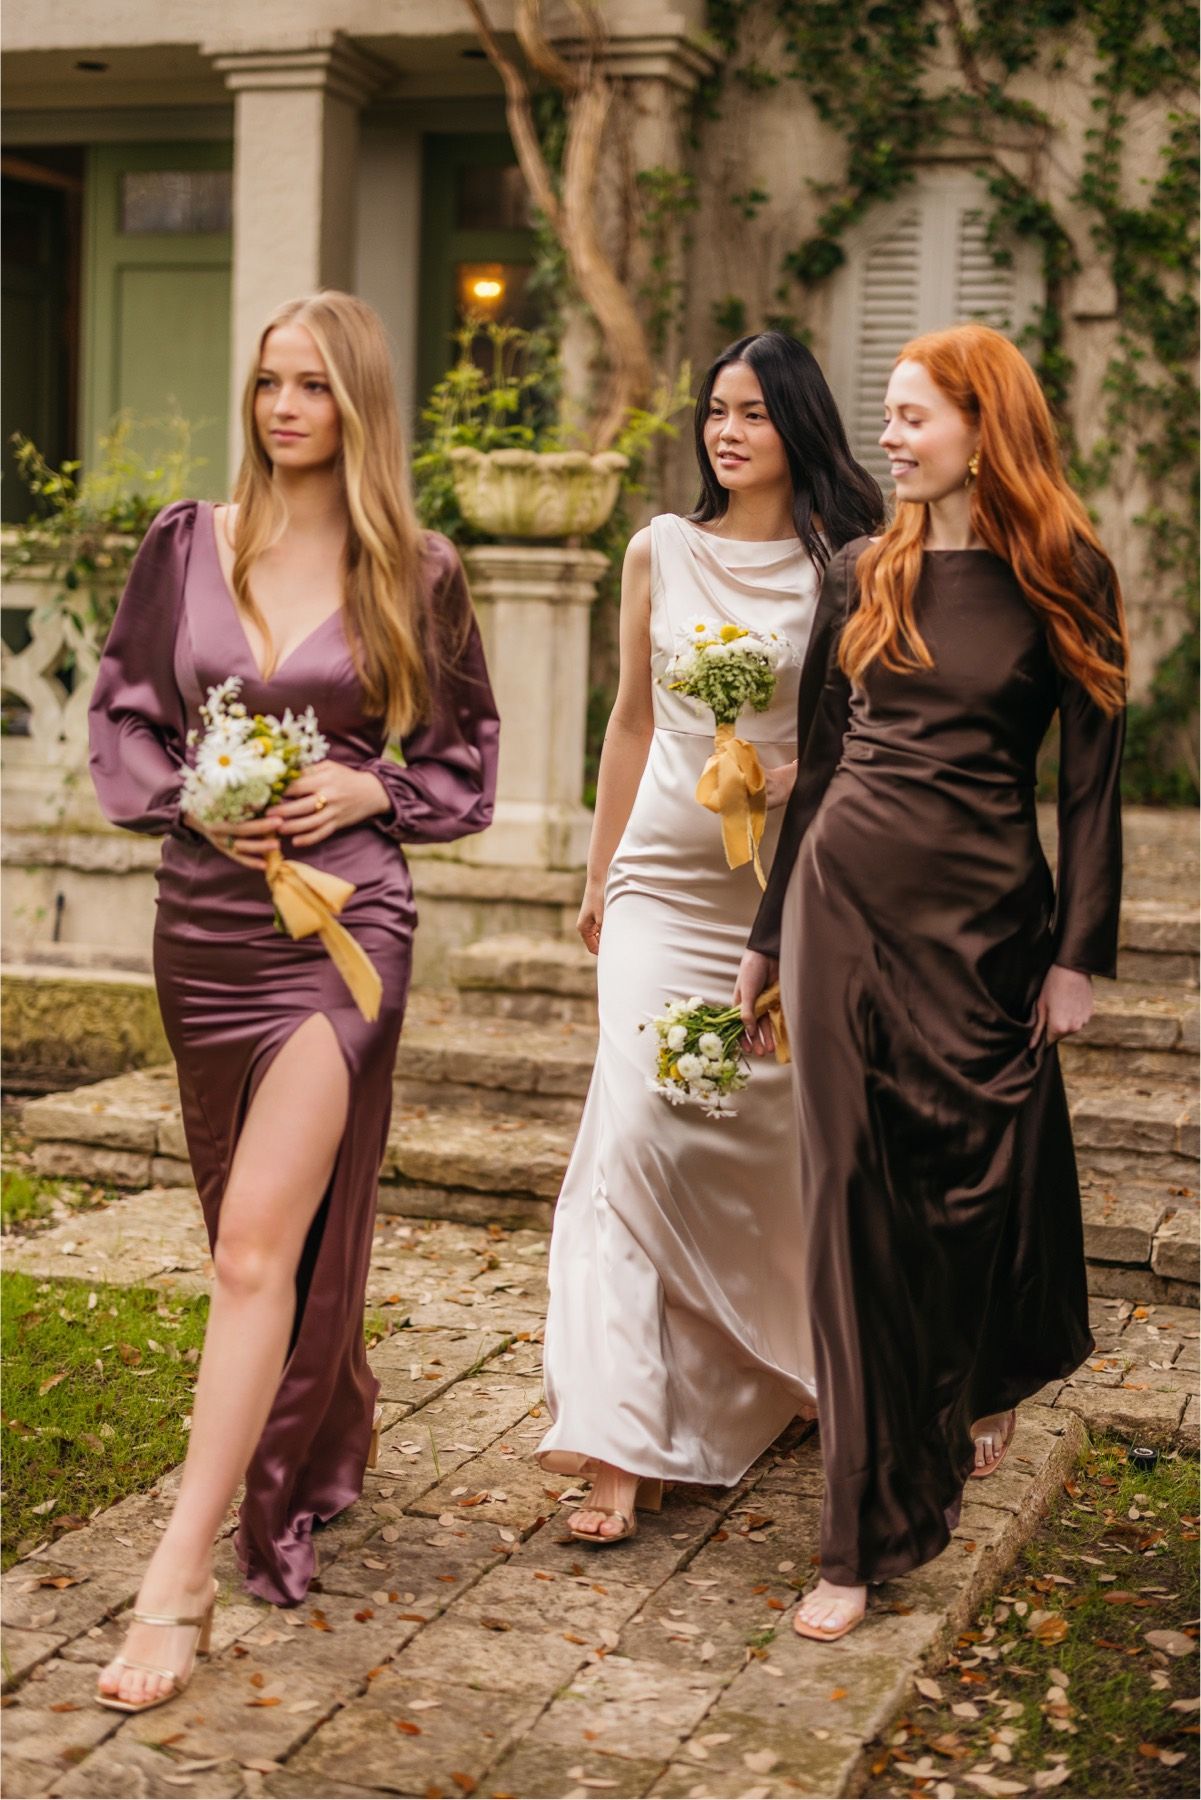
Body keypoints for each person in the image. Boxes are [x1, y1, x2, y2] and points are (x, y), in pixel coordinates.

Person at [88, 291, 498, 1708]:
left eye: (313, 385)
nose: (282, 408)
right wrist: (192, 805)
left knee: (253, 1252)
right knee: (250, 1237)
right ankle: (326, 1412)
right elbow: (128, 707)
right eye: (268, 382)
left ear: (358, 404)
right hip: (202, 928)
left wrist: (367, 781)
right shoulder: (188, 544)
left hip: (342, 938)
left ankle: (178, 1573)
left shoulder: (418, 574)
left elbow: (457, 763)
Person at [736, 322, 1127, 1641]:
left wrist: (1078, 953)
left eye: (910, 417)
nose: (886, 439)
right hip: (843, 908)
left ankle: (971, 1383)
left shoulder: (1066, 571)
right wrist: (766, 933)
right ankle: (857, 1537)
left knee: (980, 1186)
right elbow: (819, 763)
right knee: (849, 1206)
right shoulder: (860, 569)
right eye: (889, 417)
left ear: (980, 424)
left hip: (989, 933)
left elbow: (1088, 784)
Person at [536, 332, 883, 1541]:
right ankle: (617, 1447)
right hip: (655, 890)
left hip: (777, 900)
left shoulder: (842, 566)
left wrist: (797, 779)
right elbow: (632, 720)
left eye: (752, 414)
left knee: (749, 1131)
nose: (725, 432)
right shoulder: (657, 550)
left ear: (797, 427)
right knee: (629, 1130)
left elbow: (867, 744)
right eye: (713, 412)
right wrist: (595, 873)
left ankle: (768, 1357)